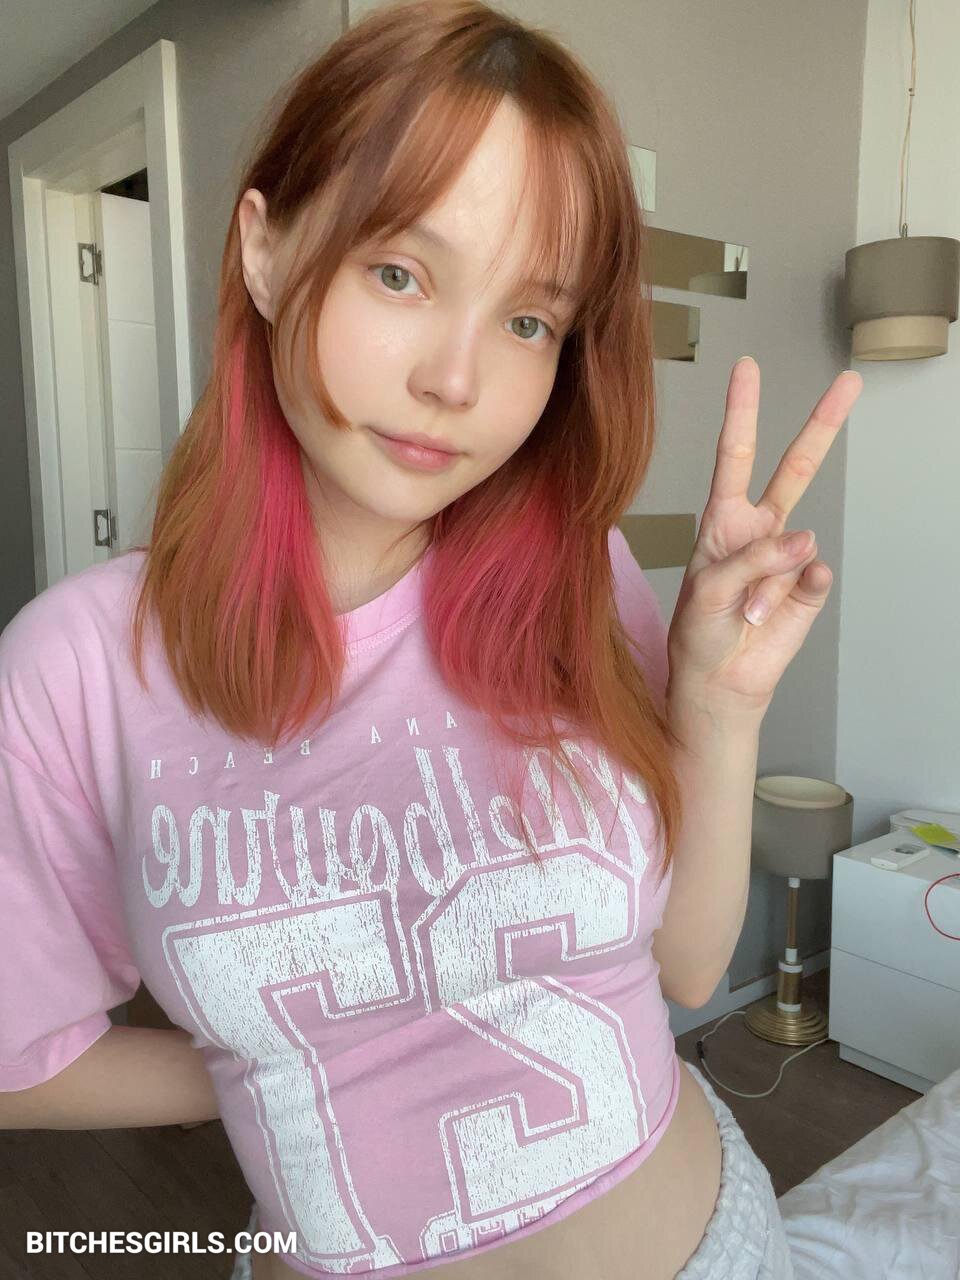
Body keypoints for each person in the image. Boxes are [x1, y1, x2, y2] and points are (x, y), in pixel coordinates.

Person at [0, 0, 849, 1276]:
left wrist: (718, 707)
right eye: (400, 272)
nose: (457, 379)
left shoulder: (577, 575)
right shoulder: (75, 670)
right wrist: (273, 1055)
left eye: (528, 320)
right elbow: (20, 1062)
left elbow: (684, 967)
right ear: (267, 251)